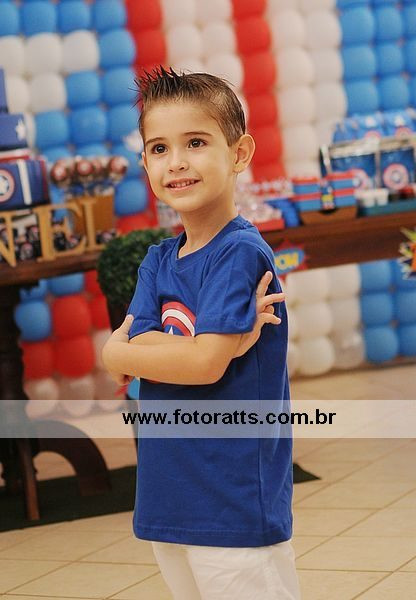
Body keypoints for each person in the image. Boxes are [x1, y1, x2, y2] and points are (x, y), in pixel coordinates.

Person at [102, 66, 300, 600]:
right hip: (169, 493)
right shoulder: (158, 260)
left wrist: (137, 350)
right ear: (145, 164)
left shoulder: (239, 253)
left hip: (232, 497)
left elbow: (202, 365)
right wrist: (127, 351)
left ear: (239, 153)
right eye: (159, 148)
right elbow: (121, 357)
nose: (177, 162)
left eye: (195, 142)